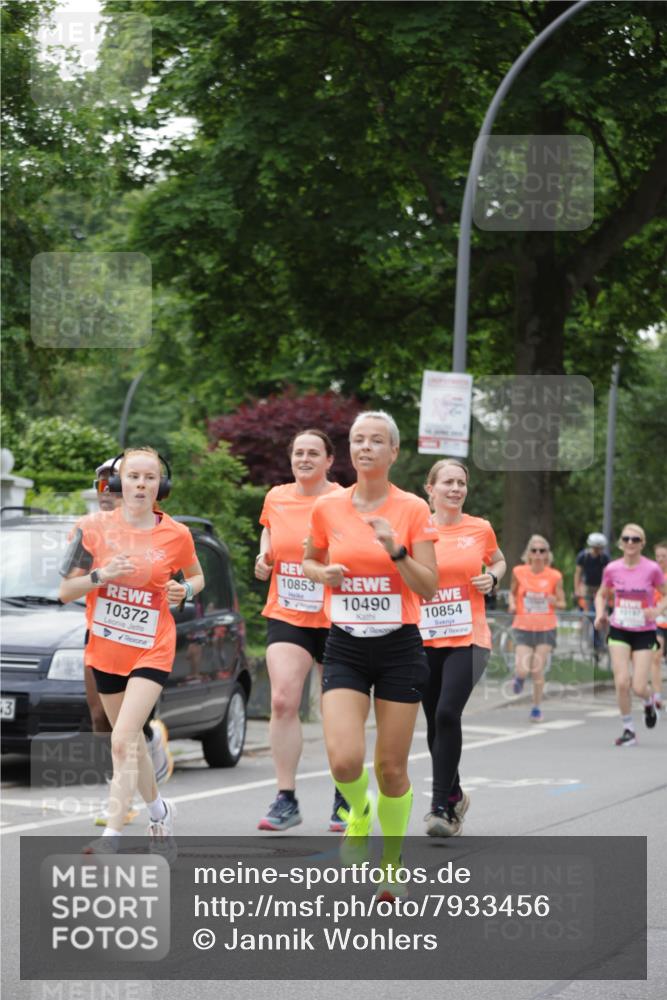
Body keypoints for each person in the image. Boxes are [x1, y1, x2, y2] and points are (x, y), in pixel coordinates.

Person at [303, 411, 437, 896]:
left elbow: (429, 585)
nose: (365, 448)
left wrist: (397, 551)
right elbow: (309, 558)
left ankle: (393, 865)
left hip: (399, 645)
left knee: (392, 768)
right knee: (343, 760)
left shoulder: (414, 509)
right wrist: (323, 575)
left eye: (376, 441)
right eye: (358, 440)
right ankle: (359, 812)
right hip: (345, 645)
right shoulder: (329, 507)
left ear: (393, 451)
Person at [59, 447, 204, 853]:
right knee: (133, 743)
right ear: (120, 483)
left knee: (122, 739)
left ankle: (112, 836)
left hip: (151, 647)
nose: (141, 484)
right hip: (106, 649)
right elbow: (65, 591)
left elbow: (196, 574)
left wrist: (185, 589)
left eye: (150, 477)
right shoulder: (89, 528)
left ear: (162, 485)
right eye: (134, 477)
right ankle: (159, 812)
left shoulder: (176, 534)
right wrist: (101, 575)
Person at [254, 429, 347, 832]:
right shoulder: (276, 496)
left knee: (337, 710)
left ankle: (346, 794)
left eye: (313, 453)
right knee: (282, 700)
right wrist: (264, 554)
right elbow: (270, 530)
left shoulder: (344, 500)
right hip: (289, 611)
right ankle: (285, 798)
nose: (304, 458)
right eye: (298, 452)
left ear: (329, 460)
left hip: (337, 616)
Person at [419, 459, 506, 837]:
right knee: (432, 719)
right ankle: (454, 792)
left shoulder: (479, 528)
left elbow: (499, 560)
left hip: (470, 636)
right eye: (448, 483)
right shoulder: (416, 531)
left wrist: (493, 577)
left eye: (461, 483)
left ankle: (440, 808)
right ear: (430, 489)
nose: (455, 489)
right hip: (423, 637)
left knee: (447, 712)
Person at [86, 460, 173, 828]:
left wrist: (179, 591)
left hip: (147, 638)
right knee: (101, 718)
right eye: (103, 487)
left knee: (127, 729)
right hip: (102, 631)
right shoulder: (95, 529)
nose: (109, 494)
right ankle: (151, 802)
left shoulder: (165, 533)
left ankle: (117, 812)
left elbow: (182, 578)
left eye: (114, 486)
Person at [595, 525, 667, 746]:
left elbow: (665, 594)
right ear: (620, 543)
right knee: (622, 682)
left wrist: (656, 610)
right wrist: (600, 614)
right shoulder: (612, 568)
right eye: (626, 538)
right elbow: (601, 594)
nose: (630, 543)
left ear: (642, 543)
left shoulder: (652, 569)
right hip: (619, 629)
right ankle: (628, 729)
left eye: (635, 539)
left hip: (644, 631)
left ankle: (648, 702)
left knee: (638, 686)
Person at [508, 535, 566, 722]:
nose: (538, 554)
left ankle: (536, 707)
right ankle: (519, 678)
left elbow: (563, 602)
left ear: (547, 554)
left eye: (542, 551)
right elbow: (512, 592)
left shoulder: (555, 576)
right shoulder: (518, 571)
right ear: (529, 554)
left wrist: (554, 601)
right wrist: (511, 604)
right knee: (523, 669)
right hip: (523, 626)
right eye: (534, 550)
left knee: (537, 670)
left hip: (546, 628)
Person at [574, 532, 609, 656]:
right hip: (587, 586)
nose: (597, 550)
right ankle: (589, 638)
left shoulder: (604, 558)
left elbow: (607, 575)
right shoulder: (583, 556)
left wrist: (605, 590)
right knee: (589, 613)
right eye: (595, 548)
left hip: (600, 587)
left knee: (599, 612)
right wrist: (577, 589)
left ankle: (600, 641)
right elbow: (578, 573)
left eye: (599, 548)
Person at [651, 540, 667, 712]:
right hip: (658, 623)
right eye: (658, 557)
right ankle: (657, 696)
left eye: (664, 556)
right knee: (656, 657)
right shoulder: (652, 577)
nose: (661, 560)